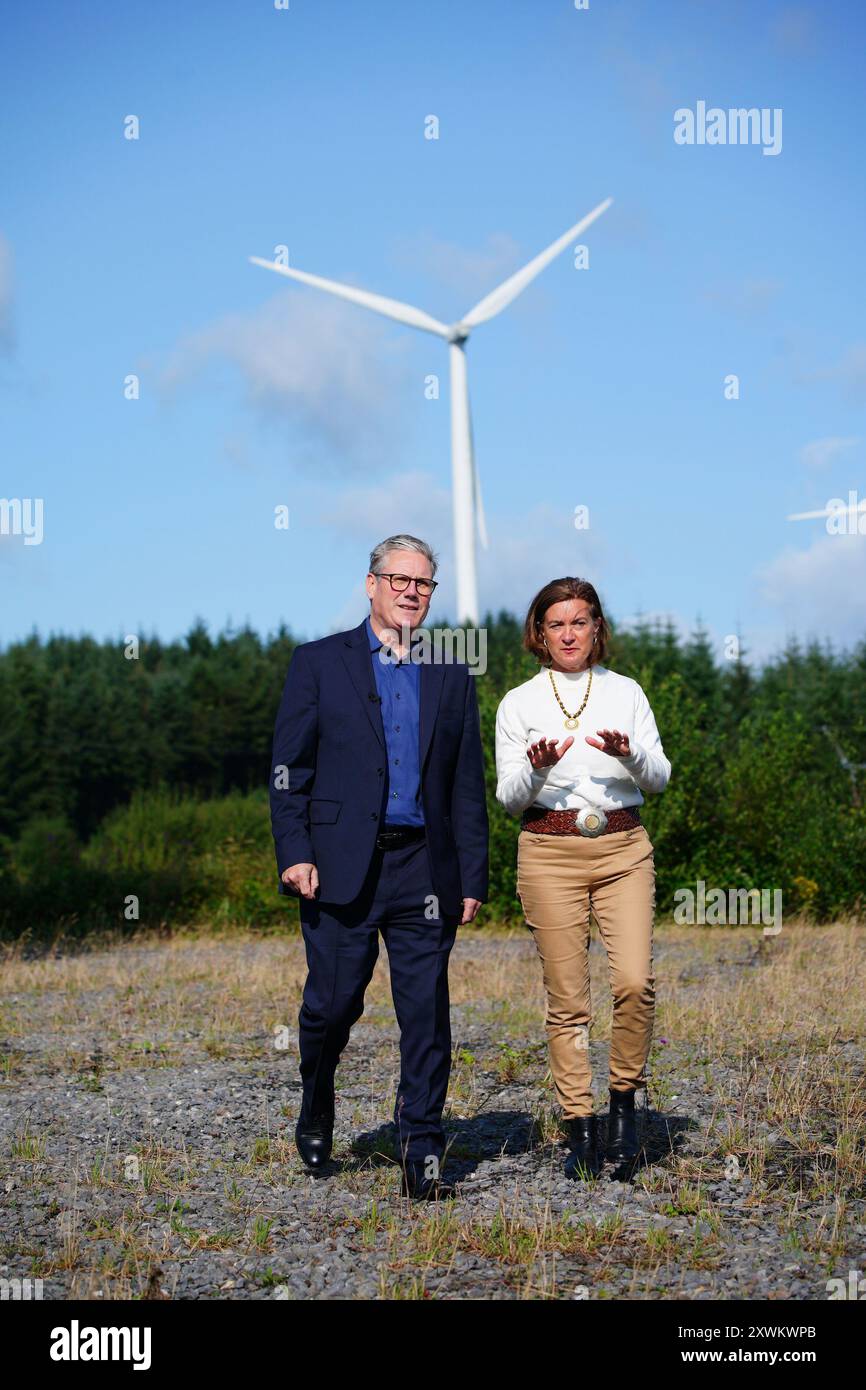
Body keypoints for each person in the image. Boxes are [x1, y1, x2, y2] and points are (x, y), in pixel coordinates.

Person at [269, 534, 488, 1199]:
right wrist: (296, 851)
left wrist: (472, 876)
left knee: (425, 1014)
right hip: (338, 868)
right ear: (370, 584)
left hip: (424, 869)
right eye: (399, 579)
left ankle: (421, 1149)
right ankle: (317, 1095)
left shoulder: (450, 675)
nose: (410, 592)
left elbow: (465, 785)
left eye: (423, 584)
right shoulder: (317, 664)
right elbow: (288, 771)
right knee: (334, 1003)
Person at [495, 577, 670, 1178]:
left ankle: (624, 1103)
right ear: (539, 634)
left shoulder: (627, 693)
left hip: (622, 846)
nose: (569, 633)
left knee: (634, 981)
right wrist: (538, 770)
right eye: (556, 623)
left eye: (580, 621)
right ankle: (580, 1126)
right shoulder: (518, 703)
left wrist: (629, 754)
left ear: (597, 628)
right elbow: (509, 796)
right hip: (548, 850)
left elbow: (659, 778)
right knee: (568, 1002)